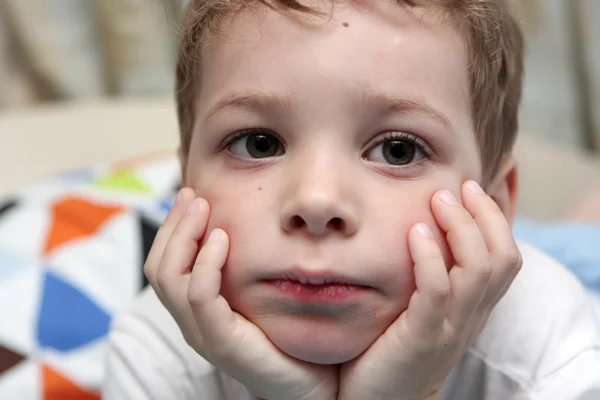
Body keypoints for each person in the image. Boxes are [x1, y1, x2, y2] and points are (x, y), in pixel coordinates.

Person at [102, 1, 600, 399]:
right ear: (184, 184)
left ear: (493, 203)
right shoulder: (155, 354)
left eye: (397, 150)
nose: (316, 201)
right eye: (259, 144)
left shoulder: (554, 355)